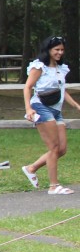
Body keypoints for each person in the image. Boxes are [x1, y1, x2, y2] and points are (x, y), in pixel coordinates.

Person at [22, 36, 80, 195]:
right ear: (48, 50)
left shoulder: (61, 68)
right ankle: (54, 186)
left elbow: (62, 90)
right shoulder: (39, 66)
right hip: (40, 107)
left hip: (56, 110)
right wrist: (28, 109)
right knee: (54, 147)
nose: (59, 52)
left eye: (62, 50)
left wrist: (76, 105)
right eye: (56, 50)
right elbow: (27, 87)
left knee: (62, 149)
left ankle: (31, 168)